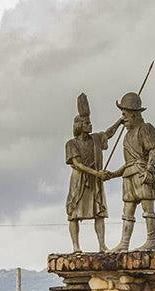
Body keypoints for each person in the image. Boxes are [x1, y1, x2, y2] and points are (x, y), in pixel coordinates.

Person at [65, 92, 122, 253]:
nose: (90, 126)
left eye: (90, 123)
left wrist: (120, 122)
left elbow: (109, 133)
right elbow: (77, 164)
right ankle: (76, 246)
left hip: (95, 180)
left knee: (99, 212)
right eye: (87, 123)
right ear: (79, 125)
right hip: (80, 180)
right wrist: (97, 174)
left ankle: (102, 245)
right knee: (74, 213)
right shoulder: (71, 143)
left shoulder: (96, 139)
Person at [106, 92, 155, 252]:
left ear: (134, 114)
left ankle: (150, 241)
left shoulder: (145, 128)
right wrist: (113, 174)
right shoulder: (127, 135)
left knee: (148, 209)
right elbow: (128, 163)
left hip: (142, 172)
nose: (123, 118)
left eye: (124, 114)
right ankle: (124, 243)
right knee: (128, 211)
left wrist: (150, 166)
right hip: (129, 175)